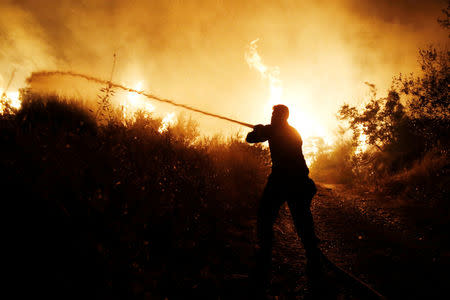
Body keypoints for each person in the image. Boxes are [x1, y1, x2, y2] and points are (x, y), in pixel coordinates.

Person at [246, 104, 321, 289]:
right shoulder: (290, 131)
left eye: (275, 113)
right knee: (301, 220)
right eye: (272, 113)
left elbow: (251, 138)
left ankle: (265, 254)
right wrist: (261, 129)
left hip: (284, 180)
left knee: (267, 216)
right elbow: (254, 137)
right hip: (296, 180)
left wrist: (260, 130)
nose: (272, 116)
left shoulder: (276, 130)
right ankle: (313, 257)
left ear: (283, 116)